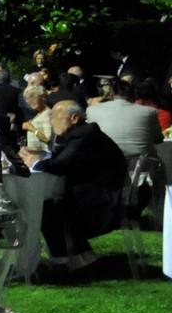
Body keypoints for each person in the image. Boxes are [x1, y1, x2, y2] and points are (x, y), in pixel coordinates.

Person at [23, 99, 126, 269]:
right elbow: (63, 158)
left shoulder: (84, 136)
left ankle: (64, 261)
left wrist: (35, 162)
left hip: (101, 200)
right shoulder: (83, 134)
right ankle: (80, 257)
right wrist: (41, 156)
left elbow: (59, 165)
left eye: (56, 117)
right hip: (99, 192)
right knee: (49, 204)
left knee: (46, 208)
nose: (52, 121)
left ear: (74, 118)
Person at [85, 76, 162, 159]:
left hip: (106, 164)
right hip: (142, 166)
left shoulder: (92, 110)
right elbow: (158, 139)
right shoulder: (149, 112)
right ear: (134, 95)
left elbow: (90, 139)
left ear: (111, 94)